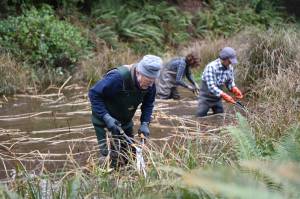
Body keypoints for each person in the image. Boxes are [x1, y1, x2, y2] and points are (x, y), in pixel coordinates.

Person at [88, 55, 162, 167]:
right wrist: (106, 117)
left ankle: (128, 179)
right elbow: (94, 93)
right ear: (138, 73)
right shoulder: (117, 78)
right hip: (105, 121)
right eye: (147, 82)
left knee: (130, 155)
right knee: (109, 158)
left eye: (152, 82)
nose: (150, 86)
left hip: (125, 122)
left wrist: (145, 123)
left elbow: (148, 104)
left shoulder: (150, 84)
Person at [197, 47, 243, 117]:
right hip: (205, 98)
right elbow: (211, 86)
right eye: (230, 61)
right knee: (200, 116)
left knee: (220, 116)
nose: (231, 63)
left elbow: (229, 82)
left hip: (217, 99)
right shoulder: (211, 67)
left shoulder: (230, 67)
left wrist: (234, 88)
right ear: (223, 58)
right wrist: (224, 95)